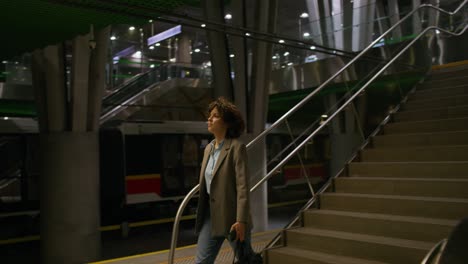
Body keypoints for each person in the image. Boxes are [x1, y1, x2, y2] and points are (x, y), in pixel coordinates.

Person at [195, 97, 261, 264]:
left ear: (227, 123)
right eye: (209, 115)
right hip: (210, 216)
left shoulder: (236, 148)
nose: (209, 119)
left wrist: (241, 220)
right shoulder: (208, 149)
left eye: (215, 116)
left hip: (233, 218)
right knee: (201, 261)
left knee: (246, 260)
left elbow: (243, 187)